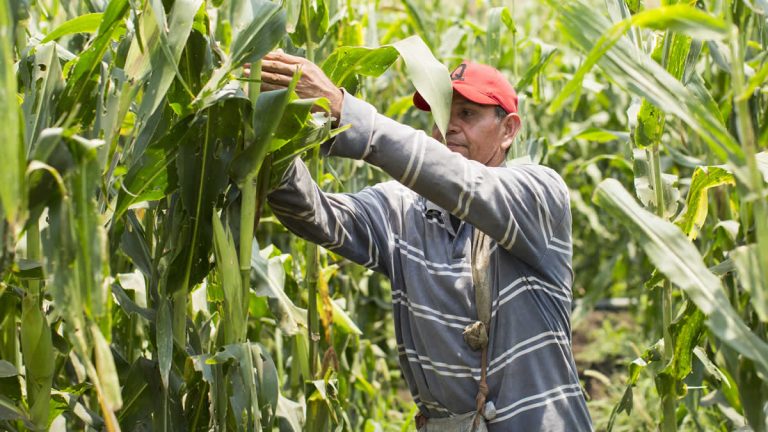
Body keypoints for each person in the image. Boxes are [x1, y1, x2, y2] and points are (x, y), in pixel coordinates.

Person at [261, 51, 593, 431]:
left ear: (508, 130)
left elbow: (464, 183)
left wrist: (345, 112)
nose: (448, 126)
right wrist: (271, 131)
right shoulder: (402, 209)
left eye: (467, 114)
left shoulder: (538, 195)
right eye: (441, 112)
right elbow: (317, 216)